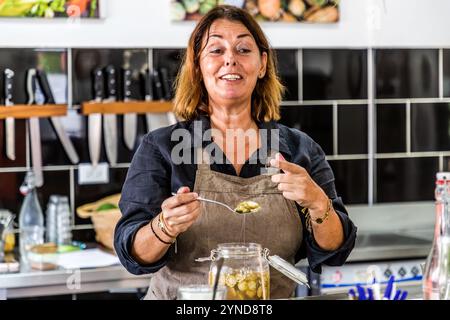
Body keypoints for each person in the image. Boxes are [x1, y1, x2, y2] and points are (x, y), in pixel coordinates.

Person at [114, 5, 357, 300]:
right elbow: (133, 255)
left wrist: (319, 204)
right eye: (216, 50)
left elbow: (335, 250)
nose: (230, 59)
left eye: (243, 49)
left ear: (263, 63)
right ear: (197, 64)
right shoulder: (162, 147)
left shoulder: (299, 149)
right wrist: (164, 226)